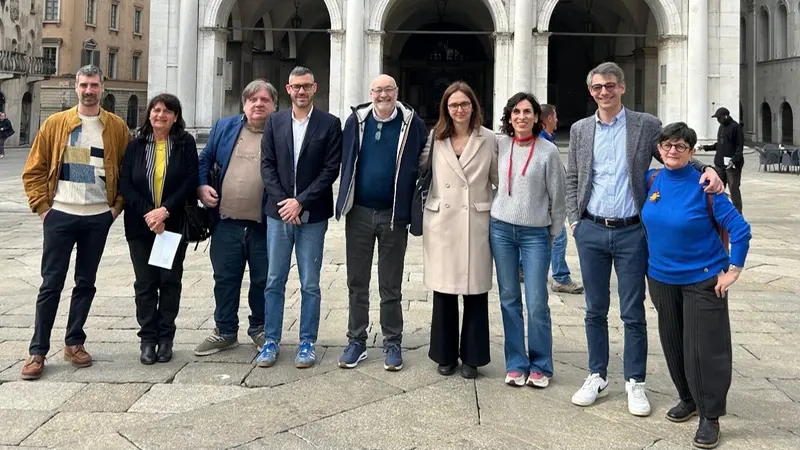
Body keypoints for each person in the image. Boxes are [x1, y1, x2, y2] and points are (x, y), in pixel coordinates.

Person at [566, 62, 724, 416]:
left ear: (622, 87)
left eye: (610, 85)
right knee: (594, 309)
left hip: (632, 231)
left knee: (633, 311)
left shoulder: (645, 124)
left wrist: (707, 168)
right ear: (590, 91)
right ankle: (596, 374)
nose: (604, 92)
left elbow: (673, 154)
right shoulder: (580, 129)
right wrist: (575, 221)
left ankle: (635, 380)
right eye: (597, 87)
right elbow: (573, 175)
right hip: (591, 229)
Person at [644, 122, 751, 449]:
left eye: (680, 146)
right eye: (667, 145)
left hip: (702, 279)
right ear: (659, 149)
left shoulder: (706, 186)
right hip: (661, 278)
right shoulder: (652, 180)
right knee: (673, 342)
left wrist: (733, 270)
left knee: (704, 350)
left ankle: (710, 415)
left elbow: (740, 229)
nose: (672, 150)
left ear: (691, 151)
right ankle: (688, 398)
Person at [20, 65, 130, 380]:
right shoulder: (56, 124)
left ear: (103, 87)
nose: (88, 91)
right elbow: (33, 170)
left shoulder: (116, 127)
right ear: (76, 87)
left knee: (86, 282)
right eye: (83, 85)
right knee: (50, 283)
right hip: (60, 215)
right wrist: (43, 208)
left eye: (94, 85)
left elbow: (128, 171)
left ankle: (74, 341)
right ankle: (38, 350)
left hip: (97, 217)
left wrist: (115, 209)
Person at [335, 74, 428, 371]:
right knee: (356, 282)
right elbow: (345, 158)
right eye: (378, 90)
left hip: (393, 215)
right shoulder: (356, 121)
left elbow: (424, 160)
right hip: (359, 213)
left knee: (391, 284)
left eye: (388, 90)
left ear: (397, 92)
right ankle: (356, 341)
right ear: (370, 92)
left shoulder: (412, 123)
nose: (383, 95)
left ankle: (392, 342)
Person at [257, 66, 343, 369]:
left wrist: (300, 202)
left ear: (314, 88)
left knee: (310, 283)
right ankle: (271, 340)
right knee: (274, 280)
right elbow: (266, 165)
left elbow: (331, 169)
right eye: (297, 87)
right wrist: (285, 203)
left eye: (306, 86)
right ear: (288, 89)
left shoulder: (330, 124)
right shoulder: (275, 121)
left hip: (312, 215)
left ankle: (307, 342)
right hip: (279, 214)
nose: (301, 91)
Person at [194, 80, 277, 356]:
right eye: (253, 99)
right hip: (226, 221)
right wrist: (201, 186)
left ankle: (260, 328)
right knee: (225, 278)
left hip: (264, 224)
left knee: (263, 279)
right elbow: (205, 159)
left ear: (274, 105)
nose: (258, 104)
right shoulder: (224, 127)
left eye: (264, 100)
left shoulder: (281, 130)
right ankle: (225, 330)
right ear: (244, 103)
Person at [422, 81, 497, 379]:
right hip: (442, 220)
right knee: (444, 291)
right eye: (453, 105)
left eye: (464, 104)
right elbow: (420, 169)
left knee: (475, 291)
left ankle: (473, 357)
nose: (459, 109)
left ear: (473, 106)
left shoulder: (489, 138)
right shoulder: (436, 137)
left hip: (475, 220)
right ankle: (444, 354)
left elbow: (498, 179)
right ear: (446, 108)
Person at [490, 93, 566, 388]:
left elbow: (558, 197)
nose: (521, 117)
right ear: (509, 117)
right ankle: (516, 362)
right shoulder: (501, 145)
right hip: (501, 229)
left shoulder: (548, 151)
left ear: (536, 117)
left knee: (536, 301)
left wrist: (553, 232)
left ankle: (541, 364)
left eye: (527, 112)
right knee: (509, 298)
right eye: (516, 112)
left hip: (535, 233)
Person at [119, 94, 198, 364]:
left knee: (169, 281)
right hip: (140, 226)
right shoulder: (135, 145)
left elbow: (189, 180)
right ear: (149, 114)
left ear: (175, 117)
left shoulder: (185, 143)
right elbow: (126, 184)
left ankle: (166, 338)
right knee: (145, 284)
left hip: (172, 225)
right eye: (156, 110)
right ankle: (147, 339)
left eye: (167, 111)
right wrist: (150, 214)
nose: (160, 115)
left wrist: (165, 211)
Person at [538, 104, 583, 295]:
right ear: (548, 118)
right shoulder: (543, 142)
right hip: (548, 200)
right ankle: (561, 278)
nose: (557, 120)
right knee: (559, 236)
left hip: (543, 200)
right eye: (555, 117)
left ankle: (522, 268)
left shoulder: (546, 138)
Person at [702, 107, 744, 214]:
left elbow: (739, 147)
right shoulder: (721, 127)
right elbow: (720, 145)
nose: (718, 120)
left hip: (732, 165)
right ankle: (717, 210)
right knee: (717, 187)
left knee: (734, 189)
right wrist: (706, 147)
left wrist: (734, 160)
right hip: (720, 163)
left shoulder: (736, 127)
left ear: (726, 116)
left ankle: (737, 213)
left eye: (719, 118)